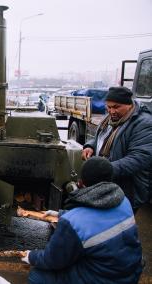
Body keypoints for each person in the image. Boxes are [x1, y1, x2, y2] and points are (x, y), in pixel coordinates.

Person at [22, 156, 142, 284]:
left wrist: (31, 256)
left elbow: (53, 260)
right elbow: (97, 219)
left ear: (80, 183)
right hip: (131, 273)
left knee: (38, 276)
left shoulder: (72, 222)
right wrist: (60, 214)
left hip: (103, 280)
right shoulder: (124, 201)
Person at [82, 86, 152, 213]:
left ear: (129, 105)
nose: (111, 111)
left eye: (116, 107)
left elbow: (140, 158)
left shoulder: (144, 123)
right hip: (108, 183)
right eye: (108, 107)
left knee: (119, 224)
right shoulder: (110, 118)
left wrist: (106, 169)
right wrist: (90, 146)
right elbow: (100, 138)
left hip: (127, 188)